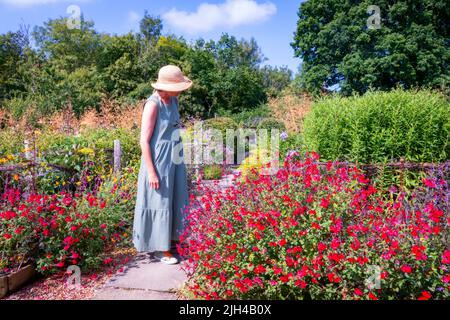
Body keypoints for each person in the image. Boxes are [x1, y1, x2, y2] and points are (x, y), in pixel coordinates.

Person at [132, 65, 192, 265]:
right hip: (159, 159)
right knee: (161, 201)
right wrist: (151, 172)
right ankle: (161, 249)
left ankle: (172, 240)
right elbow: (144, 140)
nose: (180, 90)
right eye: (178, 86)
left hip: (175, 157)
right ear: (165, 86)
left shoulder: (174, 100)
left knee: (176, 197)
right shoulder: (152, 104)